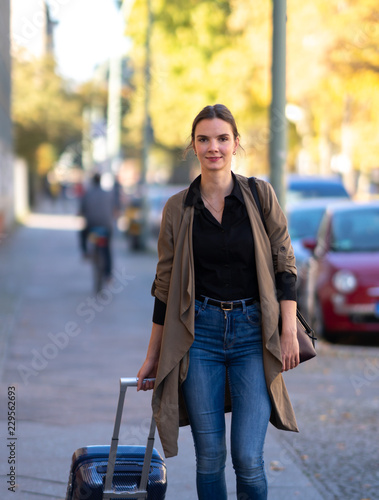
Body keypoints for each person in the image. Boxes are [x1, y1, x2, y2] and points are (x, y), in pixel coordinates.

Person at [137, 104, 299, 500]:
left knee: (247, 457)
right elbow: (164, 284)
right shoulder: (178, 208)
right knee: (209, 457)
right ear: (193, 147)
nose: (214, 147)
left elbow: (285, 264)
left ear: (236, 143)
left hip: (252, 335)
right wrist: (154, 355)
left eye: (222, 138)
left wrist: (289, 330)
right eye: (204, 139)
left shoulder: (260, 196)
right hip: (200, 337)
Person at [79, 173, 115, 278]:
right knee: (107, 249)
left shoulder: (87, 194)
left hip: (91, 226)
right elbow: (114, 209)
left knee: (82, 233)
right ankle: (108, 275)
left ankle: (85, 252)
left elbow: (82, 210)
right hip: (106, 226)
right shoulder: (108, 194)